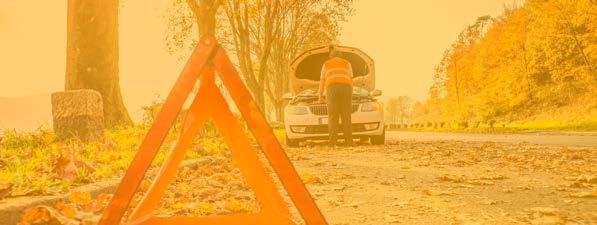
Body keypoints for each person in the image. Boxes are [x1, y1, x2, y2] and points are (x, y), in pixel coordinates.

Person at [318, 46, 354, 147]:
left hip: (331, 88)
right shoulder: (347, 63)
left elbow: (322, 81)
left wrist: (320, 96)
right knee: (346, 115)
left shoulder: (326, 64)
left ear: (331, 56)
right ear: (340, 56)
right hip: (346, 88)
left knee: (333, 116)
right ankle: (349, 142)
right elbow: (351, 80)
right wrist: (350, 94)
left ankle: (332, 143)